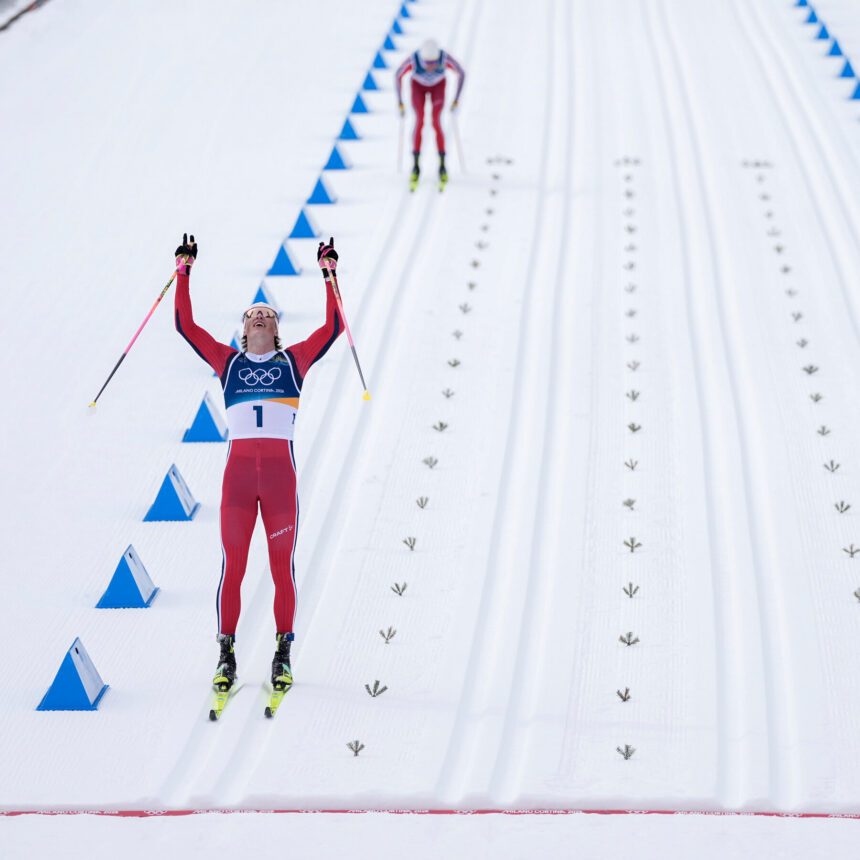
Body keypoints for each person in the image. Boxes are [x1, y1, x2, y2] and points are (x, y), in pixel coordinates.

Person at [173, 233, 343, 694]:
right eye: (253, 314)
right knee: (234, 568)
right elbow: (186, 326)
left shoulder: (294, 361)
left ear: (276, 329)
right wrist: (183, 269)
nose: (261, 314)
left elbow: (333, 327)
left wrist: (329, 273)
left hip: (280, 484)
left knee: (281, 567)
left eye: (267, 313)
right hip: (240, 483)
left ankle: (282, 653)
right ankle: (226, 653)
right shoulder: (228, 363)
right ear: (244, 331)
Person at [395, 38, 465, 186]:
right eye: (427, 64)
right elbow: (398, 75)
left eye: (434, 63)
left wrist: (456, 100)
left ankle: (442, 164)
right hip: (418, 87)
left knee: (436, 122)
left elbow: (461, 73)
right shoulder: (414, 59)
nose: (430, 67)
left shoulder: (444, 58)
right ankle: (415, 165)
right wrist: (400, 102)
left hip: (438, 87)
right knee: (419, 121)